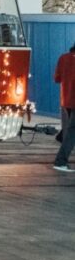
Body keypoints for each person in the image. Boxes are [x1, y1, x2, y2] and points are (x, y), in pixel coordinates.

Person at [52, 43, 75, 171]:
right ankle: (60, 161)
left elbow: (57, 78)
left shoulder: (63, 58)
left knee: (72, 130)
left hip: (67, 100)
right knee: (72, 132)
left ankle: (61, 139)